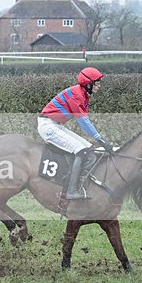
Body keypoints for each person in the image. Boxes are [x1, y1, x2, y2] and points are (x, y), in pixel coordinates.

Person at [37, 67, 114, 200]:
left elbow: (85, 120)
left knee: (89, 150)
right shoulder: (77, 95)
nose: (99, 86)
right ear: (88, 84)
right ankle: (71, 191)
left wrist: (100, 140)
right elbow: (84, 122)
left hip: (55, 125)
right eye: (97, 83)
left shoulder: (84, 94)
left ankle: (80, 185)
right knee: (81, 150)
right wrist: (101, 140)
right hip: (48, 126)